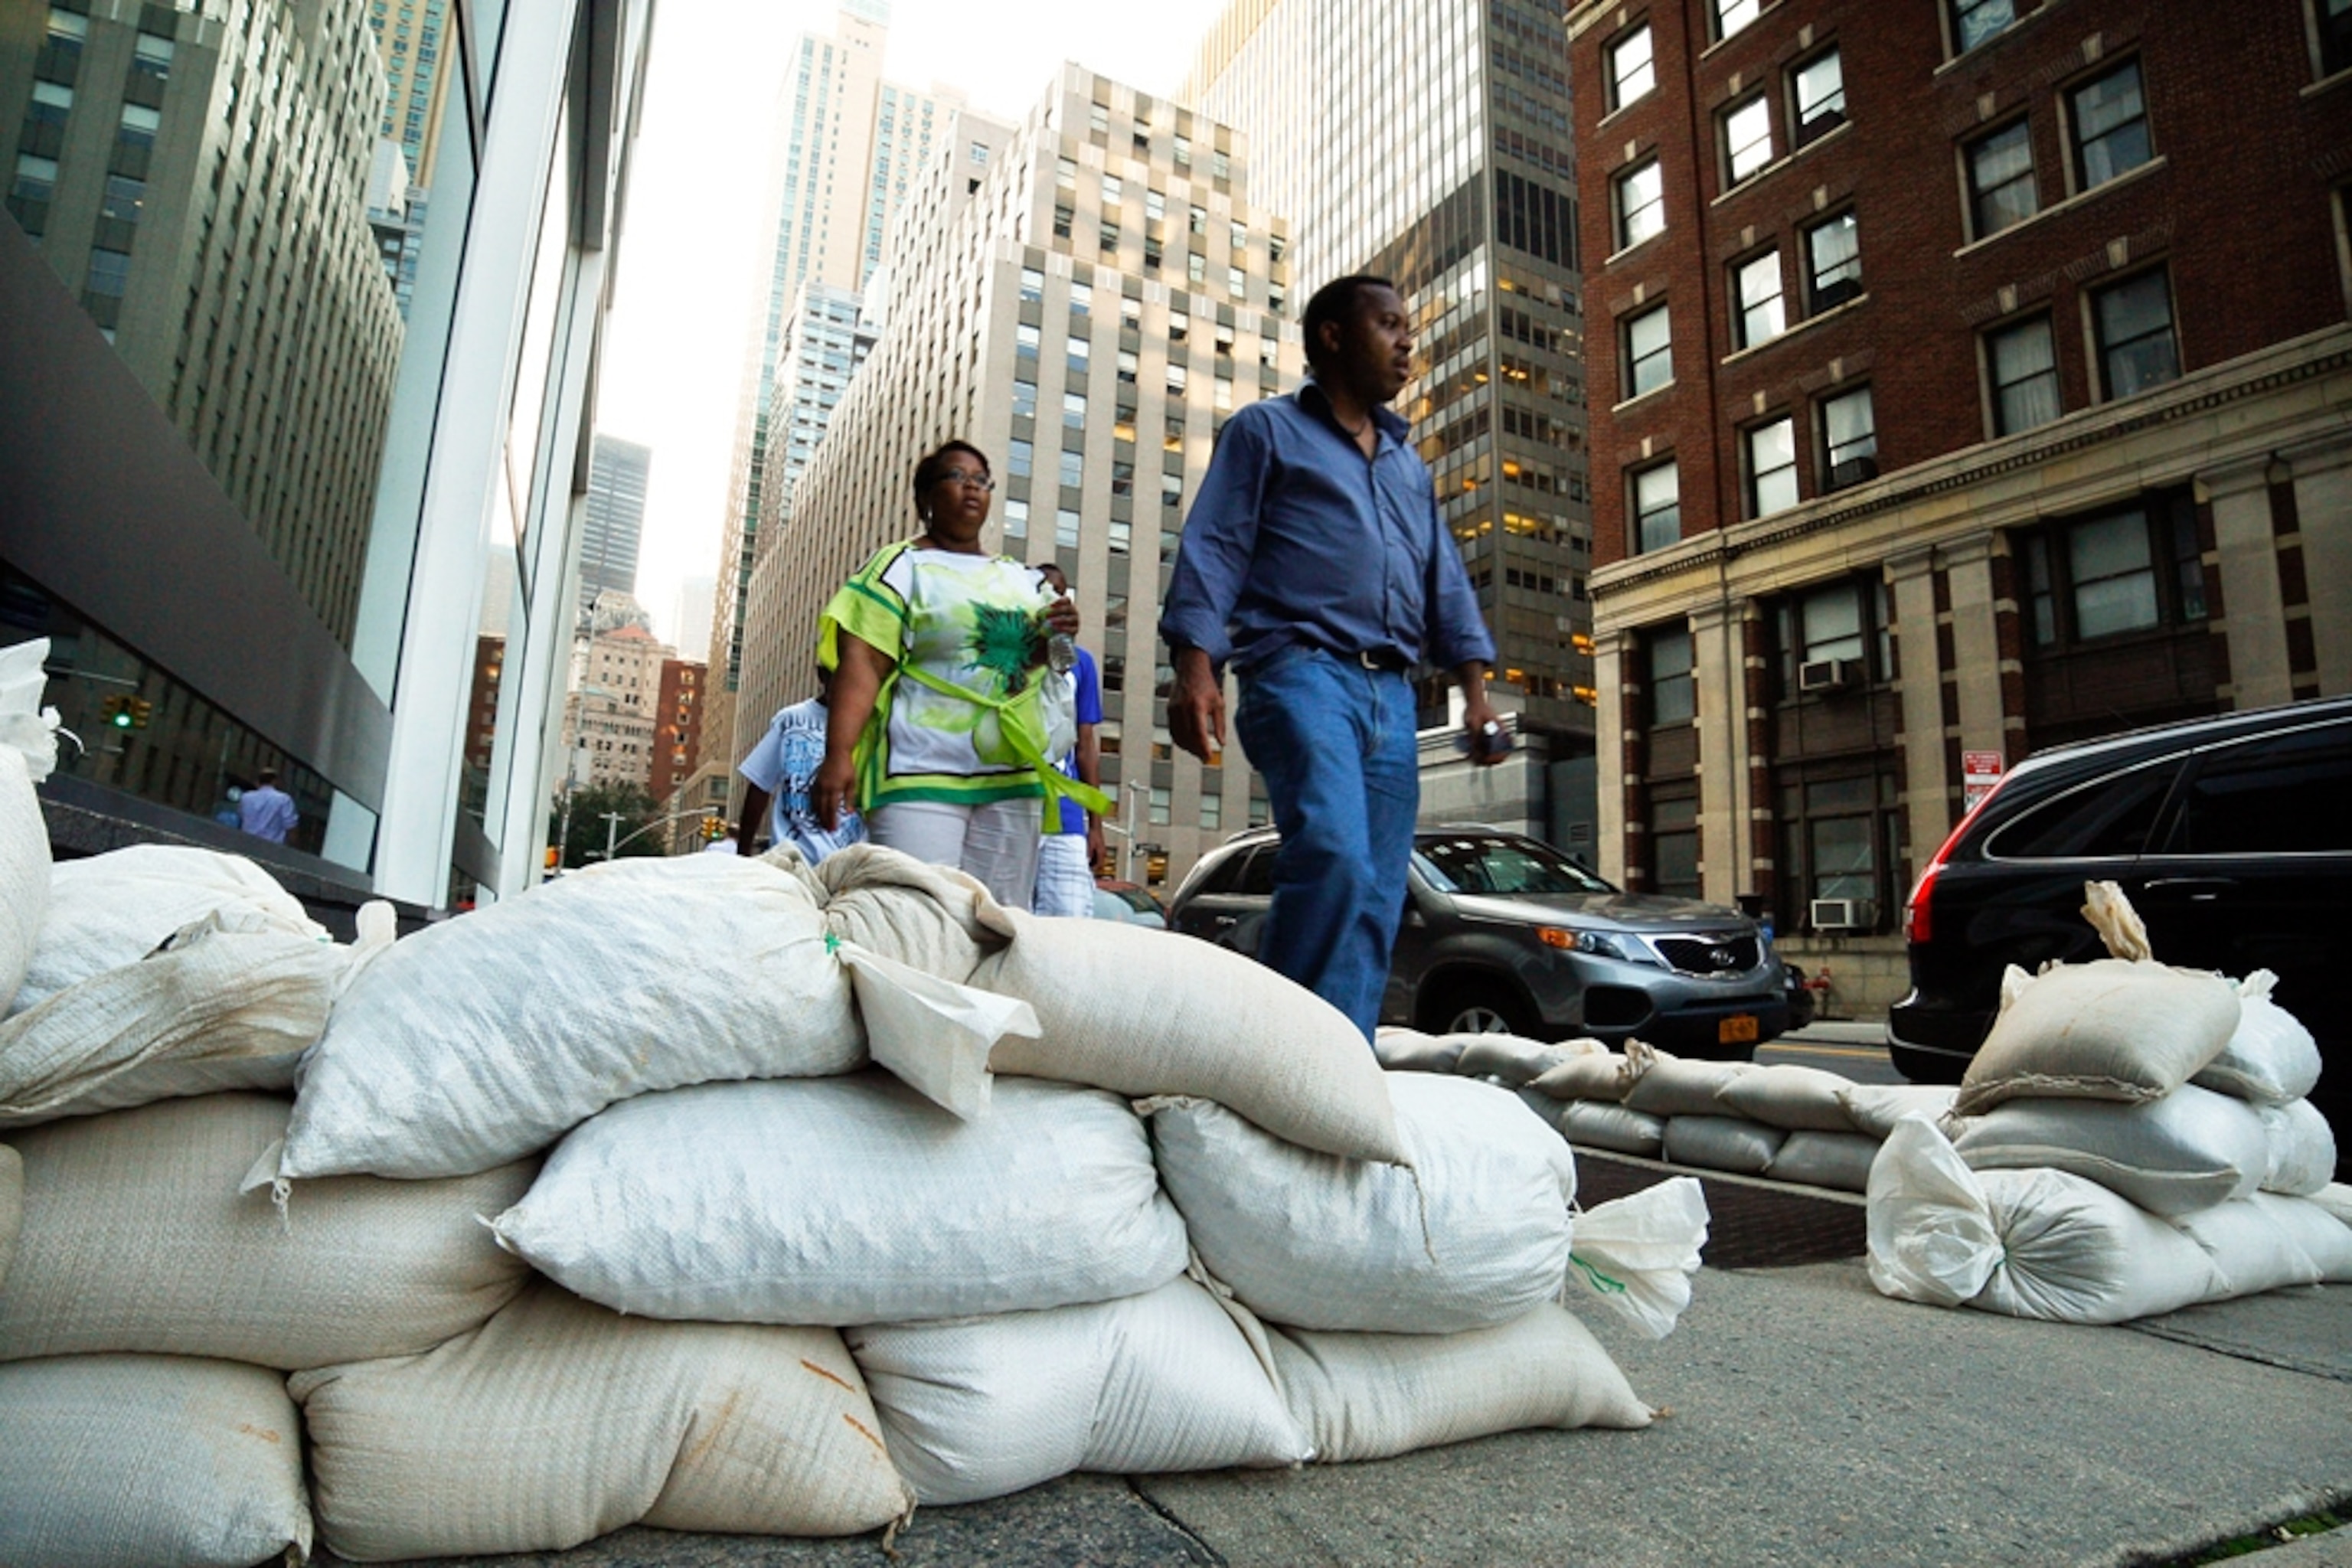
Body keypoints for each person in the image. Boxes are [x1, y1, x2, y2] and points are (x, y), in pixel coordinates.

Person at [1159, 274, 1502, 1040]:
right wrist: (1195, 666)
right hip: (1300, 670)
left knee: (1378, 896)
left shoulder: (1408, 466)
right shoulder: (1265, 432)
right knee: (1338, 859)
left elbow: (1441, 574)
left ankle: (1336, 1062)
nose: (1407, 339)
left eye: (1408, 325)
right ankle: (1274, 1048)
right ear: (1332, 337)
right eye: (1388, 323)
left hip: (1392, 696)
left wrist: (1475, 691)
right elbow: (1215, 544)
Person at [812, 440, 1109, 910]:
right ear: (926, 497)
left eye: (982, 479)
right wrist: (838, 754)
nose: (972, 486)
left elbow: (1054, 667)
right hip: (918, 770)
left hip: (1012, 777)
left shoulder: (1021, 578)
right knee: (915, 917)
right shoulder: (898, 568)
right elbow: (863, 664)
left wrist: (1059, 635)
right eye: (956, 476)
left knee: (998, 923)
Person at [1031, 563, 1105, 917]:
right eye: (1043, 590)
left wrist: (1096, 826)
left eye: (1059, 592)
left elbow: (1086, 744)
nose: (1052, 599)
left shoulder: (1081, 663)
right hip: (1015, 805)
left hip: (1065, 816)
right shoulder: (1010, 656)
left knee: (1070, 918)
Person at [736, 665, 867, 864]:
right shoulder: (791, 720)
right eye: (839, 679)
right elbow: (759, 785)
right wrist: (743, 854)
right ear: (823, 677)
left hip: (848, 865)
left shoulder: (872, 725)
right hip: (792, 861)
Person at [237, 768, 299, 844]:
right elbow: (290, 825)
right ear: (275, 781)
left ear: (258, 782)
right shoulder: (283, 799)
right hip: (271, 846)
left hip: (247, 842)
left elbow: (241, 817)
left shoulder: (245, 798)